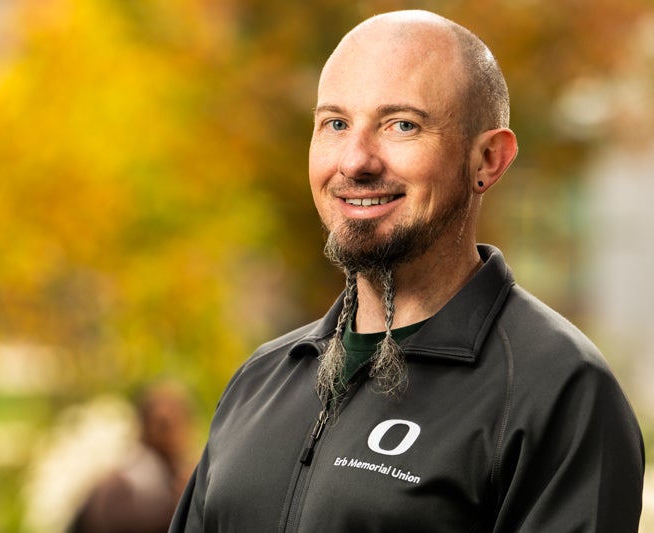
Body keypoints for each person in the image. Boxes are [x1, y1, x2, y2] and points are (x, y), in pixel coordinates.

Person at [169, 9, 645, 533]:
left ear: (488, 159)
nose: (355, 161)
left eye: (402, 125)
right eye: (335, 123)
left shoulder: (556, 389)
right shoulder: (260, 380)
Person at [70, 382, 196, 533]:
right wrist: (180, 505)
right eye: (163, 425)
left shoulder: (178, 474)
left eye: (177, 421)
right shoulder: (127, 483)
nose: (171, 435)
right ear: (144, 428)